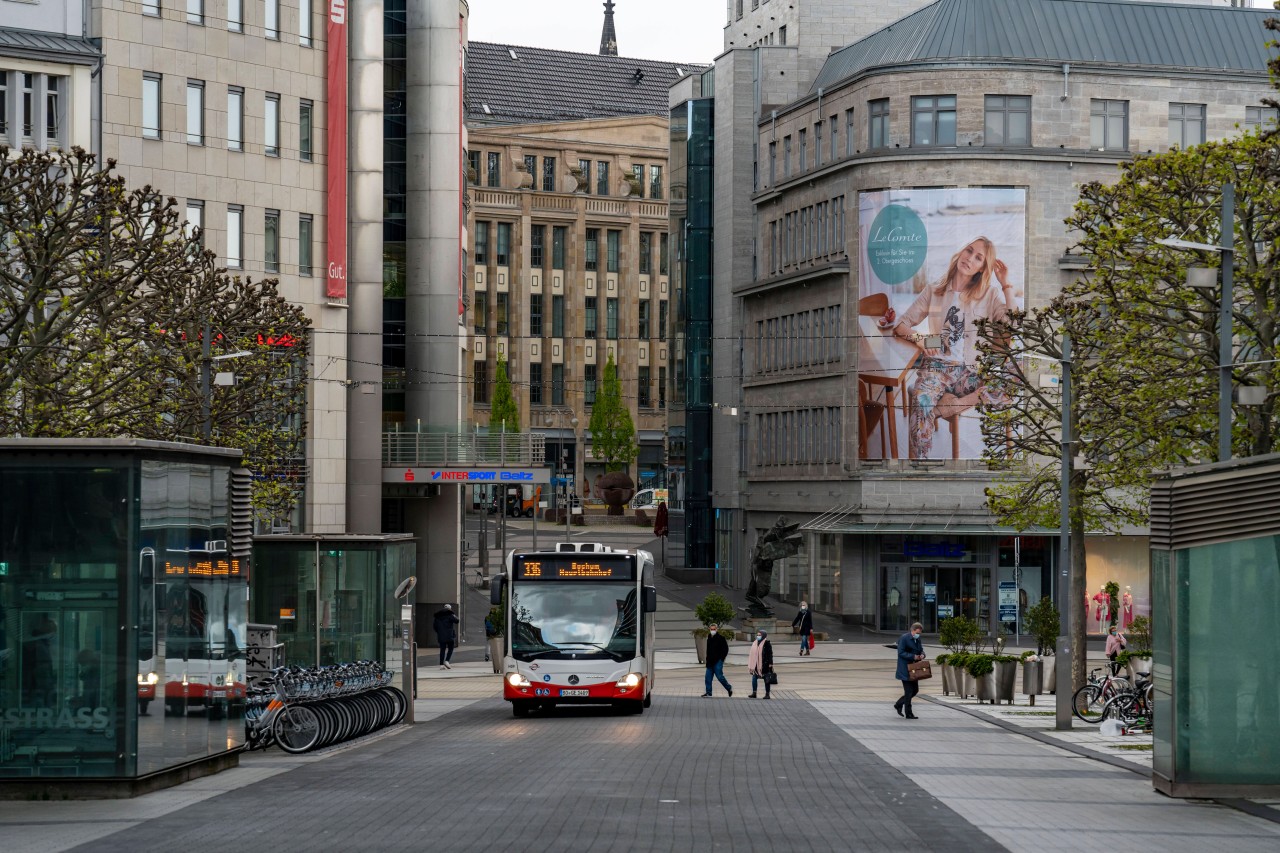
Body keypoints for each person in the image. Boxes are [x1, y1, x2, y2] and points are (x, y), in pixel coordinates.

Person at [886, 237, 1016, 458]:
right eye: (969, 250)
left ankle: (951, 406)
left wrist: (1006, 284)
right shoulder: (934, 291)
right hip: (937, 368)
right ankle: (920, 470)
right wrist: (922, 339)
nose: (970, 258)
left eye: (978, 258)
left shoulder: (989, 294)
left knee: (1017, 375)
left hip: (971, 372)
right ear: (961, 252)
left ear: (982, 268)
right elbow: (901, 324)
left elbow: (1013, 324)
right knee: (921, 399)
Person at [894, 621, 925, 719]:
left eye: (919, 633)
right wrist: (913, 657)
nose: (918, 635)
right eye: (917, 633)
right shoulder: (904, 638)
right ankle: (909, 713)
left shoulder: (918, 639)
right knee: (908, 691)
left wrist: (922, 654)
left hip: (914, 669)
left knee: (915, 690)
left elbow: (921, 649)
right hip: (905, 668)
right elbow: (901, 652)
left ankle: (899, 704)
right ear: (912, 630)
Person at [701, 623, 733, 698]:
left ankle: (729, 687)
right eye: (711, 629)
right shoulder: (709, 638)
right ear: (709, 629)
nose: (712, 630)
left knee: (720, 677)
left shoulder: (721, 638)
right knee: (707, 677)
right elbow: (708, 650)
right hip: (710, 662)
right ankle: (708, 692)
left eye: (714, 629)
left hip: (718, 661)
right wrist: (707, 659)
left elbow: (725, 649)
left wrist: (721, 659)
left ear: (717, 629)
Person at [747, 630, 774, 699]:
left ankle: (767, 694)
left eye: (760, 635)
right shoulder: (755, 643)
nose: (758, 636)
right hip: (756, 664)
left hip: (764, 664)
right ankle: (754, 693)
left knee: (766, 679)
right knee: (754, 677)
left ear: (764, 636)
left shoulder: (767, 643)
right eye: (758, 635)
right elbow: (752, 654)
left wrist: (770, 663)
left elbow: (770, 654)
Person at [433, 604, 459, 670]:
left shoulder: (437, 617)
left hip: (441, 636)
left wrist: (440, 632)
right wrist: (453, 614)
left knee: (442, 650)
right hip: (449, 635)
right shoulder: (450, 615)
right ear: (449, 609)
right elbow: (457, 621)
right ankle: (447, 661)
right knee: (450, 648)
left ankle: (441, 665)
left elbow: (435, 627)